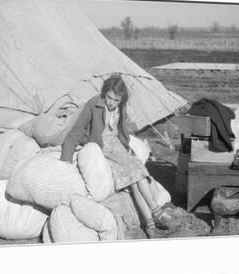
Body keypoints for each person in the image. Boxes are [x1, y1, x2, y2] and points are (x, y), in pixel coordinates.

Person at [60, 73, 176, 238]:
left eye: (116, 100)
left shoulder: (121, 106)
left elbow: (123, 130)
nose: (111, 102)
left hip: (118, 147)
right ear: (104, 93)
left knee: (136, 177)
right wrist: (65, 160)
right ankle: (156, 211)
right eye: (109, 98)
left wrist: (127, 145)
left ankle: (150, 224)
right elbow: (76, 132)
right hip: (103, 148)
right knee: (134, 175)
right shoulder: (93, 104)